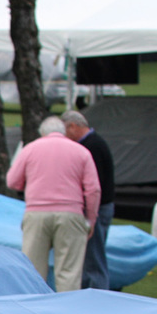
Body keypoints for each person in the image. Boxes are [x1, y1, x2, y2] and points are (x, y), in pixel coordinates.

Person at [6, 116, 100, 293]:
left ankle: (33, 309)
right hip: (71, 213)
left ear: (42, 133)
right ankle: (67, 313)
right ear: (64, 132)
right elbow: (93, 189)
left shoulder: (30, 149)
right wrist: (91, 219)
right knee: (69, 271)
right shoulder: (81, 151)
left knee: (32, 269)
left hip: (37, 213)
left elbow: (12, 182)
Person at [61, 110, 116, 290]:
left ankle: (98, 293)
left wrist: (88, 212)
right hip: (100, 206)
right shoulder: (95, 143)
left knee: (94, 257)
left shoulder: (91, 147)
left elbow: (93, 185)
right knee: (89, 256)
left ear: (73, 127)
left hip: (97, 208)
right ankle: (89, 291)